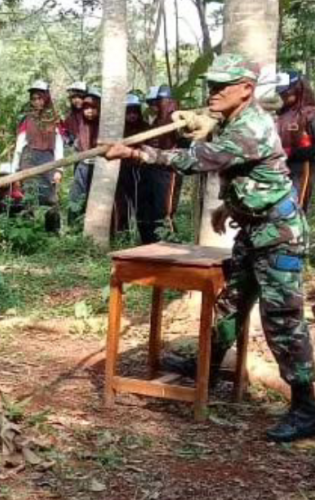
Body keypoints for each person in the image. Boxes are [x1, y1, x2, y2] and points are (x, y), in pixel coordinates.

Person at [105, 53, 315, 443]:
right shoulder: (233, 118)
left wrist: (135, 153)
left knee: (283, 321)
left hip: (278, 233)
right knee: (231, 304)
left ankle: (306, 406)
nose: (213, 92)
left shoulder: (249, 128)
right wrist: (228, 205)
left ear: (247, 90)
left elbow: (194, 161)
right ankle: (207, 365)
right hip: (253, 230)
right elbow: (254, 174)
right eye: (211, 85)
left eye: (222, 86)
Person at [11, 80, 64, 232]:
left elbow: (59, 145)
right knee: (29, 196)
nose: (37, 102)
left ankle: (52, 232)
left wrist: (59, 169)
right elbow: (19, 145)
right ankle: (29, 231)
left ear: (46, 98)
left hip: (48, 159)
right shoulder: (27, 119)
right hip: (28, 159)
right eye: (34, 99)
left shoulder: (53, 119)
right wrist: (15, 169)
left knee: (51, 198)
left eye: (40, 98)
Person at [136, 84, 184, 243]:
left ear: (168, 101)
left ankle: (170, 247)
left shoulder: (177, 118)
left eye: (158, 102)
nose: (154, 107)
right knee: (146, 210)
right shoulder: (156, 120)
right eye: (151, 104)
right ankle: (149, 245)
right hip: (150, 170)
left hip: (168, 171)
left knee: (164, 212)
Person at [276, 71, 315, 211]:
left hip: (298, 175)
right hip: (275, 173)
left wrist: (295, 153)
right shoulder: (279, 113)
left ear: (298, 89)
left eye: (286, 92)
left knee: (292, 213)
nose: (282, 95)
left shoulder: (310, 114)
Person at [113, 94, 149, 235]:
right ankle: (123, 232)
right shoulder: (117, 130)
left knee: (138, 201)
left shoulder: (145, 127)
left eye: (135, 112)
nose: (132, 115)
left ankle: (141, 233)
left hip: (139, 169)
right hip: (120, 168)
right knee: (121, 202)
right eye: (128, 112)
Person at [65, 83, 101, 224]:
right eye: (73, 98)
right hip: (82, 163)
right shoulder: (76, 120)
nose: (89, 111)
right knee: (77, 195)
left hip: (99, 165)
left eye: (93, 108)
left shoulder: (102, 123)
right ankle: (73, 227)